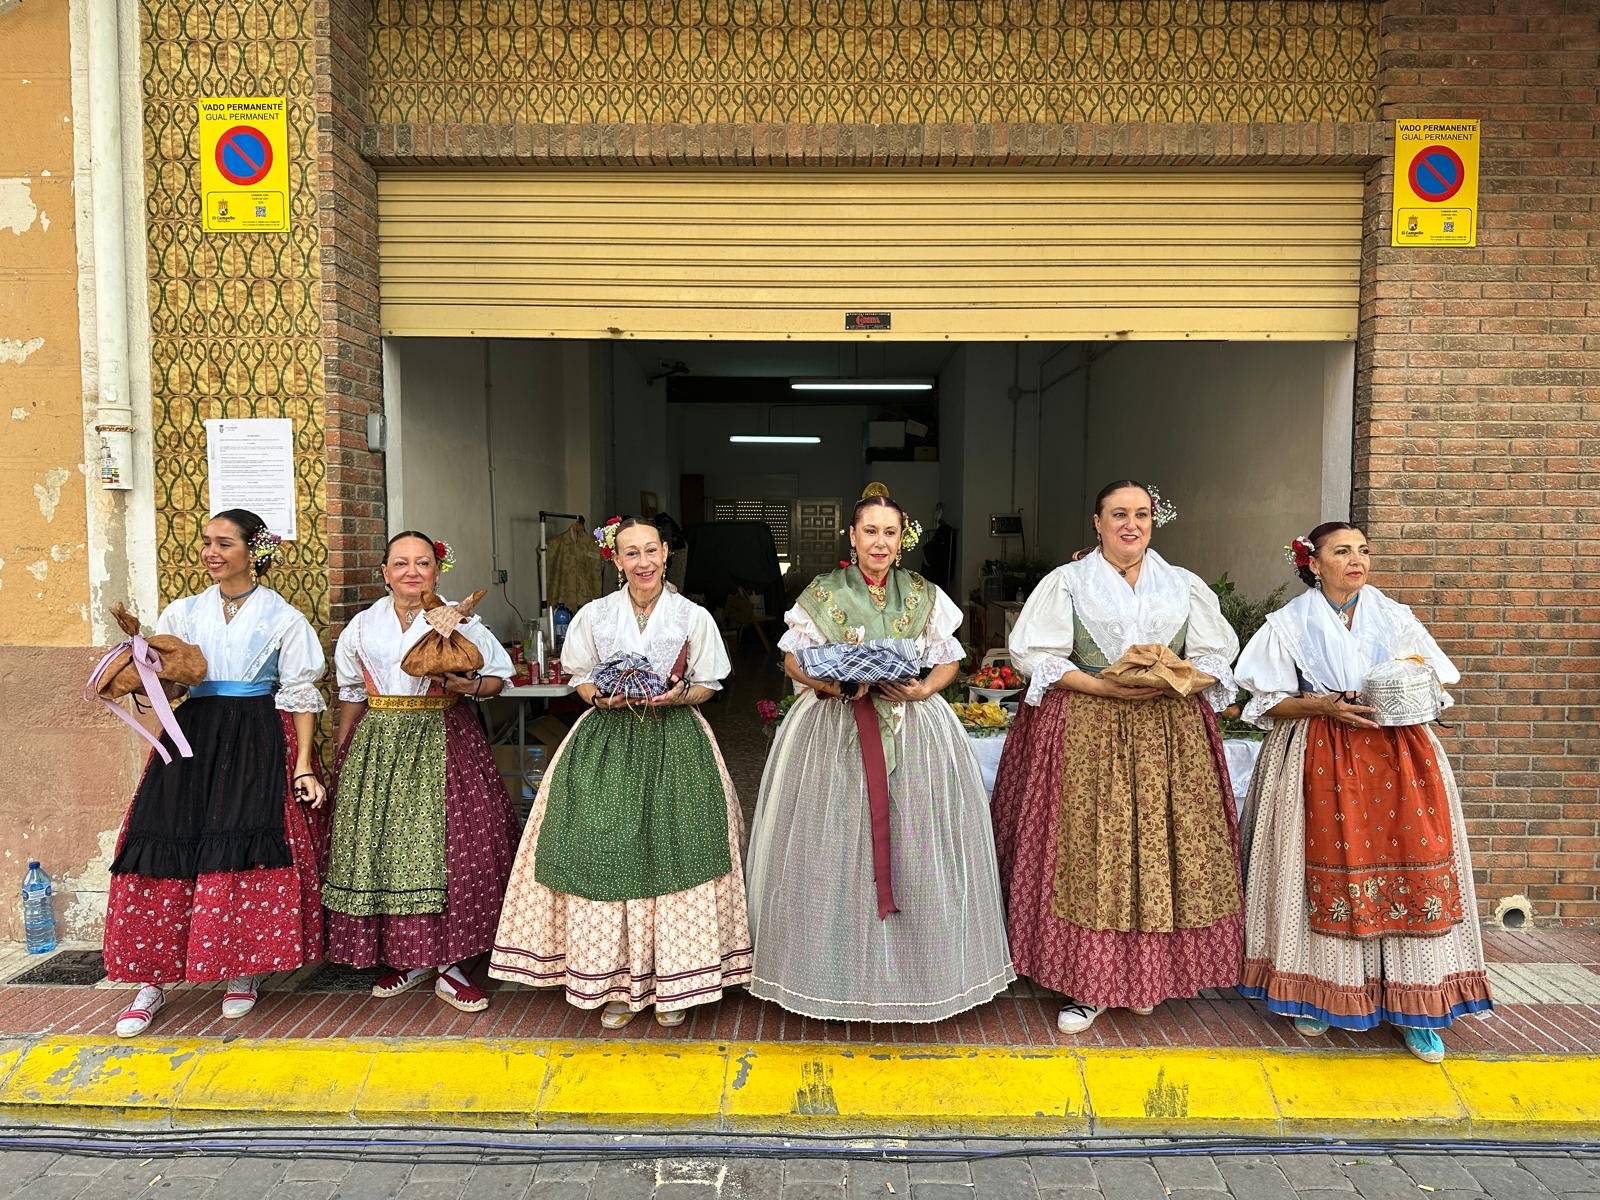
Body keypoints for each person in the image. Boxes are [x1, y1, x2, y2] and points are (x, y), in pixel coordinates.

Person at [745, 485, 1014, 1022]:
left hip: (912, 727)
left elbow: (948, 659)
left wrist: (924, 689)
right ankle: (830, 972)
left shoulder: (922, 594)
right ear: (852, 536)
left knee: (916, 840)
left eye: (890, 532)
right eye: (870, 531)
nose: (880, 542)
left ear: (901, 539)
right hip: (835, 728)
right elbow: (793, 660)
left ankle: (922, 975)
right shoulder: (823, 592)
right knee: (835, 845)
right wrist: (830, 684)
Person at [1233, 522, 1492, 1062]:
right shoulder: (1288, 624)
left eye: (1364, 551)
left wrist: (1408, 690)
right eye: (1342, 551)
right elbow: (1264, 702)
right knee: (1316, 868)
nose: (1357, 560)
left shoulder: (1395, 617)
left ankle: (1419, 1008)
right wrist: (1322, 705)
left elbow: (1436, 681)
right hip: (1318, 751)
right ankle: (1317, 993)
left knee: (1414, 867)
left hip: (1400, 755)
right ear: (1313, 564)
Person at [992, 480, 1243, 1034]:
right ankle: (1089, 984)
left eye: (1142, 514)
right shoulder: (1068, 583)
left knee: (1159, 851)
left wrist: (1175, 676)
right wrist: (1104, 686)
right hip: (1088, 728)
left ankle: (1147, 980)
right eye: (1119, 514)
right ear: (1097, 522)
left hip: (1168, 734)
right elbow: (1035, 655)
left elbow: (1216, 656)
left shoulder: (1182, 584)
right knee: (1091, 854)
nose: (1132, 524)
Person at [489, 517, 751, 1028]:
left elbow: (709, 684)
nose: (643, 562)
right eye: (631, 553)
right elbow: (581, 678)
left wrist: (680, 694)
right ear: (616, 559)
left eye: (651, 550)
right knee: (601, 851)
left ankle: (675, 982)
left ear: (666, 553)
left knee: (680, 850)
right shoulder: (596, 614)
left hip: (676, 740)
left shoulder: (692, 616)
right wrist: (598, 697)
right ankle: (613, 982)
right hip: (605, 742)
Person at [106, 509, 328, 1037]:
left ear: (254, 551)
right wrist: (142, 672)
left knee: (242, 842)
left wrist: (302, 765)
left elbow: (300, 696)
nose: (211, 552)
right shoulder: (183, 612)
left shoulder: (284, 618)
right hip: (194, 736)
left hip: (257, 735)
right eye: (208, 542)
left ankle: (242, 969)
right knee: (163, 836)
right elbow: (173, 687)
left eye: (224, 543)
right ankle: (150, 980)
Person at [325, 531, 517, 1013]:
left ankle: (450, 964)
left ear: (437, 570)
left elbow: (498, 679)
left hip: (444, 735)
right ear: (385, 572)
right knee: (387, 853)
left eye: (423, 562)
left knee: (451, 851)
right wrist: (344, 753)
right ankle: (409, 958)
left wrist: (469, 685)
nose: (412, 571)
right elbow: (351, 693)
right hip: (379, 744)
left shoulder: (461, 620)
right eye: (401, 563)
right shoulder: (362, 626)